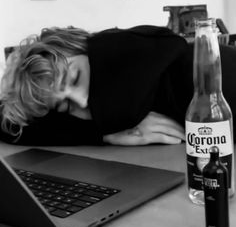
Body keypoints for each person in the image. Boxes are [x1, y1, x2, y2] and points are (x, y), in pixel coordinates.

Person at [0, 25, 235, 146]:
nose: (82, 101)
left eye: (75, 78)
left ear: (89, 48)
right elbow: (6, 125)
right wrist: (103, 135)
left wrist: (108, 128)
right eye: (66, 107)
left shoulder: (185, 68)